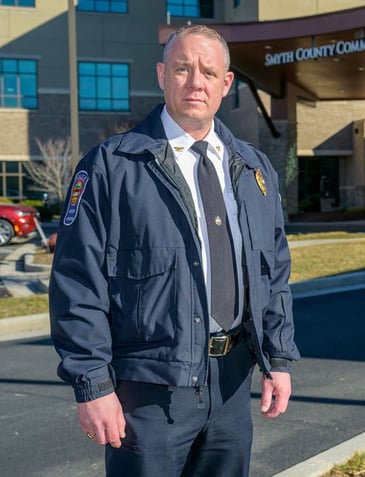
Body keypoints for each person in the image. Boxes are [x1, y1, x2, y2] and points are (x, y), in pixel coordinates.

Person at [49, 24, 299, 476]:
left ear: (227, 83)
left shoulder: (253, 168)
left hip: (231, 385)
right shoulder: (112, 167)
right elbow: (76, 282)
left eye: (208, 71)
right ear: (163, 74)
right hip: (148, 393)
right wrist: (92, 387)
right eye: (183, 68)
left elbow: (274, 271)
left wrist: (277, 359)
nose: (195, 81)